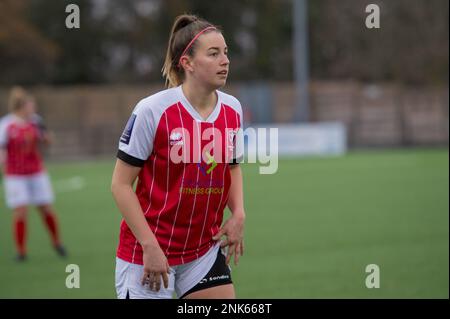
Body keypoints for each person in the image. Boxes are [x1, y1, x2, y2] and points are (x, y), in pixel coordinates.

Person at [112, 14, 246, 299]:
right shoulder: (152, 111)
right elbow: (120, 185)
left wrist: (238, 213)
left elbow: (232, 168)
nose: (225, 60)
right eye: (214, 54)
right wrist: (149, 245)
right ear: (187, 63)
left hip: (203, 251)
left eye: (226, 52)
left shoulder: (233, 110)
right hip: (148, 253)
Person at [0, 86, 66, 261]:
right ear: (22, 106)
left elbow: (47, 140)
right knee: (20, 211)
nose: (33, 108)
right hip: (15, 175)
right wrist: (3, 166)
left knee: (45, 208)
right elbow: (2, 149)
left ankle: (57, 242)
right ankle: (21, 252)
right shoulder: (7, 124)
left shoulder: (36, 121)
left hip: (36, 172)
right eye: (30, 105)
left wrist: (46, 138)